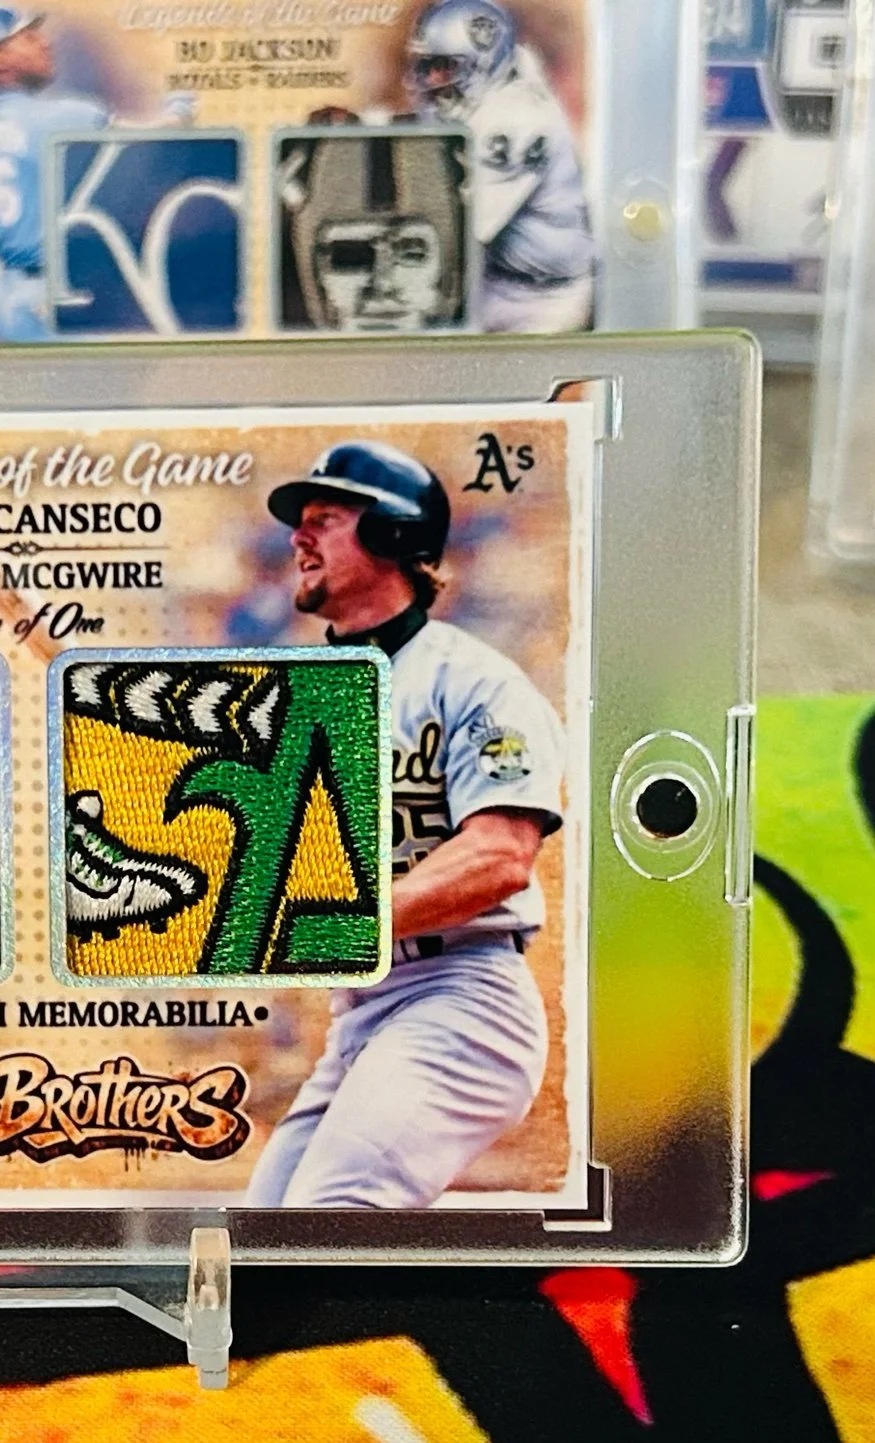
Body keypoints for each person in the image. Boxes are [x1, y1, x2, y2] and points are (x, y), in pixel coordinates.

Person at [242, 440, 566, 1208]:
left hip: (463, 996)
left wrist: (350, 924)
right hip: (362, 1011)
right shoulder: (298, 692)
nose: (298, 535)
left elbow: (499, 856)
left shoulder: (474, 679)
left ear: (391, 532)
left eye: (325, 518)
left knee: (333, 1216)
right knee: (263, 1234)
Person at [402, 0, 596, 332]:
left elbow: (459, 230)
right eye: (426, 65)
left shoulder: (519, 118)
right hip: (493, 282)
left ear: (484, 61)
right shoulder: (488, 93)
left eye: (445, 66)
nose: (432, 79)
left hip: (545, 300)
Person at [0, 6, 108, 339]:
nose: (45, 43)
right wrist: (179, 113)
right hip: (74, 294)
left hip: (12, 302)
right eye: (28, 38)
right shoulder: (76, 117)